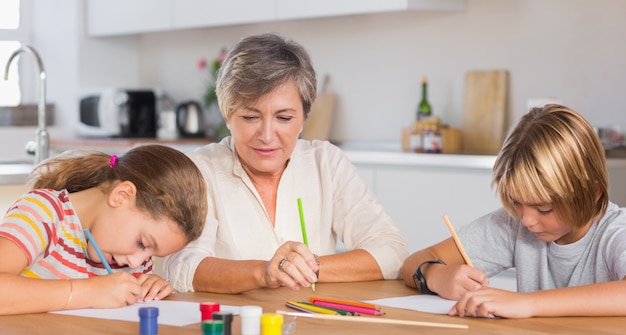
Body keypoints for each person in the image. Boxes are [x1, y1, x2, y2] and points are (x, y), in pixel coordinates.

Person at [164, 33, 408, 294]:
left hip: (311, 326)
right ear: (227, 114)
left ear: (304, 117)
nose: (267, 136)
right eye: (250, 117)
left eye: (284, 118)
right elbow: (181, 266)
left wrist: (306, 267)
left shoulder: (326, 163)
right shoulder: (199, 170)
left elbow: (392, 250)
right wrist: (264, 272)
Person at [401, 104, 626, 318]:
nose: (526, 220)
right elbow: (415, 261)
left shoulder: (616, 232)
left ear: (593, 192)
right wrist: (435, 275)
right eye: (516, 202)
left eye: (544, 208)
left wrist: (528, 303)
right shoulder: (512, 226)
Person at [0, 144, 207, 315]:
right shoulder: (42, 214)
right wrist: (86, 293)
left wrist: (147, 287)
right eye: (142, 243)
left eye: (152, 255)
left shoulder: (125, 258)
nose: (137, 262)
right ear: (122, 196)